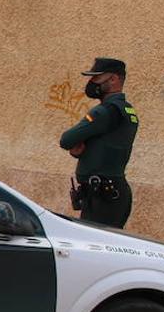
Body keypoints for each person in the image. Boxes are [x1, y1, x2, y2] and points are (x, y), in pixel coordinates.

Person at [59, 57, 140, 228]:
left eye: (96, 77)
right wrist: (83, 150)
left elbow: (66, 140)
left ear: (113, 79)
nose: (91, 82)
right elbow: (108, 146)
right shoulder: (126, 110)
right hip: (113, 192)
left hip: (102, 196)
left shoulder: (105, 112)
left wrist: (77, 145)